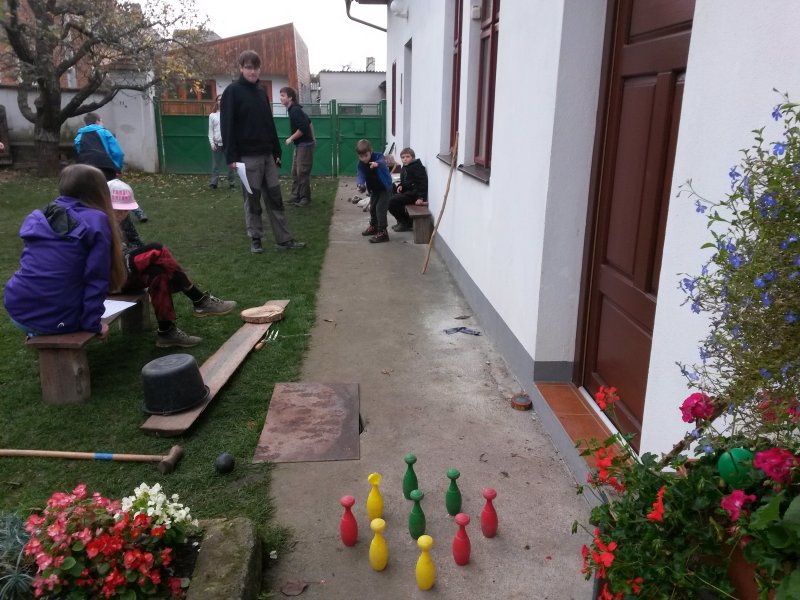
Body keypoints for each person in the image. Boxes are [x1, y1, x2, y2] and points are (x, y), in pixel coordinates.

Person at [108, 178, 237, 348]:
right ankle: (199, 299)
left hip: (125, 272)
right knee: (156, 249)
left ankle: (167, 331)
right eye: (117, 209)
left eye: (125, 210)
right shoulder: (97, 221)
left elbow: (137, 244)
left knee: (158, 272)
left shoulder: (123, 220)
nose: (122, 214)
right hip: (109, 280)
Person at [4, 164, 127, 338]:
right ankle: (43, 329)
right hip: (55, 318)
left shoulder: (45, 214)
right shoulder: (96, 221)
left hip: (17, 310)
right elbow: (96, 277)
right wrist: (93, 324)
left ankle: (36, 329)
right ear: (99, 190)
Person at [221, 50, 305, 254]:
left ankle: (284, 239)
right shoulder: (232, 92)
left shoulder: (261, 92)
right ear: (241, 68)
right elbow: (227, 125)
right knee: (252, 200)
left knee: (275, 198)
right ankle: (256, 239)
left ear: (259, 69)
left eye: (256, 67)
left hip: (267, 155)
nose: (252, 71)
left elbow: (269, 123)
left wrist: (276, 151)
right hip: (247, 158)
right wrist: (231, 157)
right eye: (248, 67)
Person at [74, 113, 149, 222]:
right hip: (105, 165)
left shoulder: (79, 136)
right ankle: (139, 213)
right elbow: (118, 152)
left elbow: (79, 152)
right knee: (118, 189)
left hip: (86, 167)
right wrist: (117, 167)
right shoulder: (104, 132)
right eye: (101, 120)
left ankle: (92, 216)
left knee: (91, 191)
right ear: (98, 121)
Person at [279, 86, 315, 207]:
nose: (280, 98)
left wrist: (291, 138)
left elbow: (303, 128)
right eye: (280, 95)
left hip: (305, 145)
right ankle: (295, 196)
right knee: (295, 172)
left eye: (283, 95)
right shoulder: (293, 109)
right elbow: (309, 122)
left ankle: (305, 198)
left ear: (290, 98)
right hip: (300, 145)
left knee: (302, 172)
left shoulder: (295, 110)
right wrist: (314, 138)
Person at [355, 138, 393, 243]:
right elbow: (360, 175)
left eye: (366, 155)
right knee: (372, 208)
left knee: (380, 209)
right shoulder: (361, 164)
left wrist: (377, 164)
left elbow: (383, 162)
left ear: (370, 151)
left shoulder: (378, 156)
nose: (364, 159)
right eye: (361, 156)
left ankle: (383, 232)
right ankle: (374, 227)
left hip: (385, 188)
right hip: (374, 189)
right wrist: (360, 184)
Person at [388, 147, 428, 232]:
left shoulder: (417, 167)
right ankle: (401, 221)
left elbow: (422, 183)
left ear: (413, 157)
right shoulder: (406, 166)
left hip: (414, 194)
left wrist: (420, 197)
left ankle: (404, 222)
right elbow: (405, 180)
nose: (405, 159)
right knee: (391, 190)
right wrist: (401, 185)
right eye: (403, 157)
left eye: (407, 157)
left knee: (392, 202)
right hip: (408, 192)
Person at [208, 95, 236, 190]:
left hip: (228, 144)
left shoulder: (229, 114)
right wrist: (212, 143)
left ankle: (232, 183)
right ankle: (214, 183)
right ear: (216, 102)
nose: (221, 101)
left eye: (223, 99)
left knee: (231, 165)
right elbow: (210, 131)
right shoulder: (212, 115)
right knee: (215, 165)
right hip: (217, 144)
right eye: (219, 100)